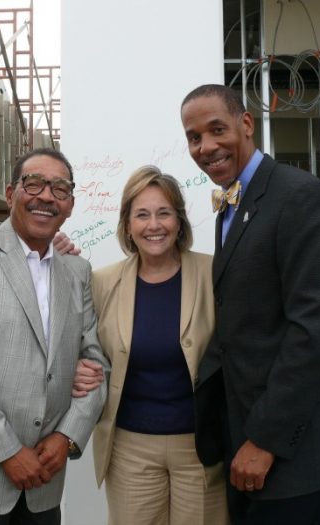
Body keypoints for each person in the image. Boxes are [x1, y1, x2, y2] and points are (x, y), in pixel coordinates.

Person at [180, 84, 320, 524]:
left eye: (217, 129)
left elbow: (313, 330)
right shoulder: (231, 205)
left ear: (246, 124)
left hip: (295, 450)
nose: (206, 147)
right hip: (244, 439)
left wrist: (266, 440)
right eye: (194, 137)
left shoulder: (300, 197)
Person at [0, 148, 109, 525]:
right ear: (12, 194)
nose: (47, 196)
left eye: (60, 189)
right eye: (34, 184)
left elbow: (96, 365)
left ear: (71, 205)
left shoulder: (77, 271)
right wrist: (8, 451)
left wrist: (67, 437)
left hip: (45, 480)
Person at [82, 166, 227, 525]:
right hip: (130, 448)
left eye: (164, 213)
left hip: (201, 449)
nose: (154, 225)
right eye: (142, 215)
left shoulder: (214, 274)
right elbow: (85, 349)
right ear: (127, 224)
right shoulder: (102, 282)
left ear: (179, 221)